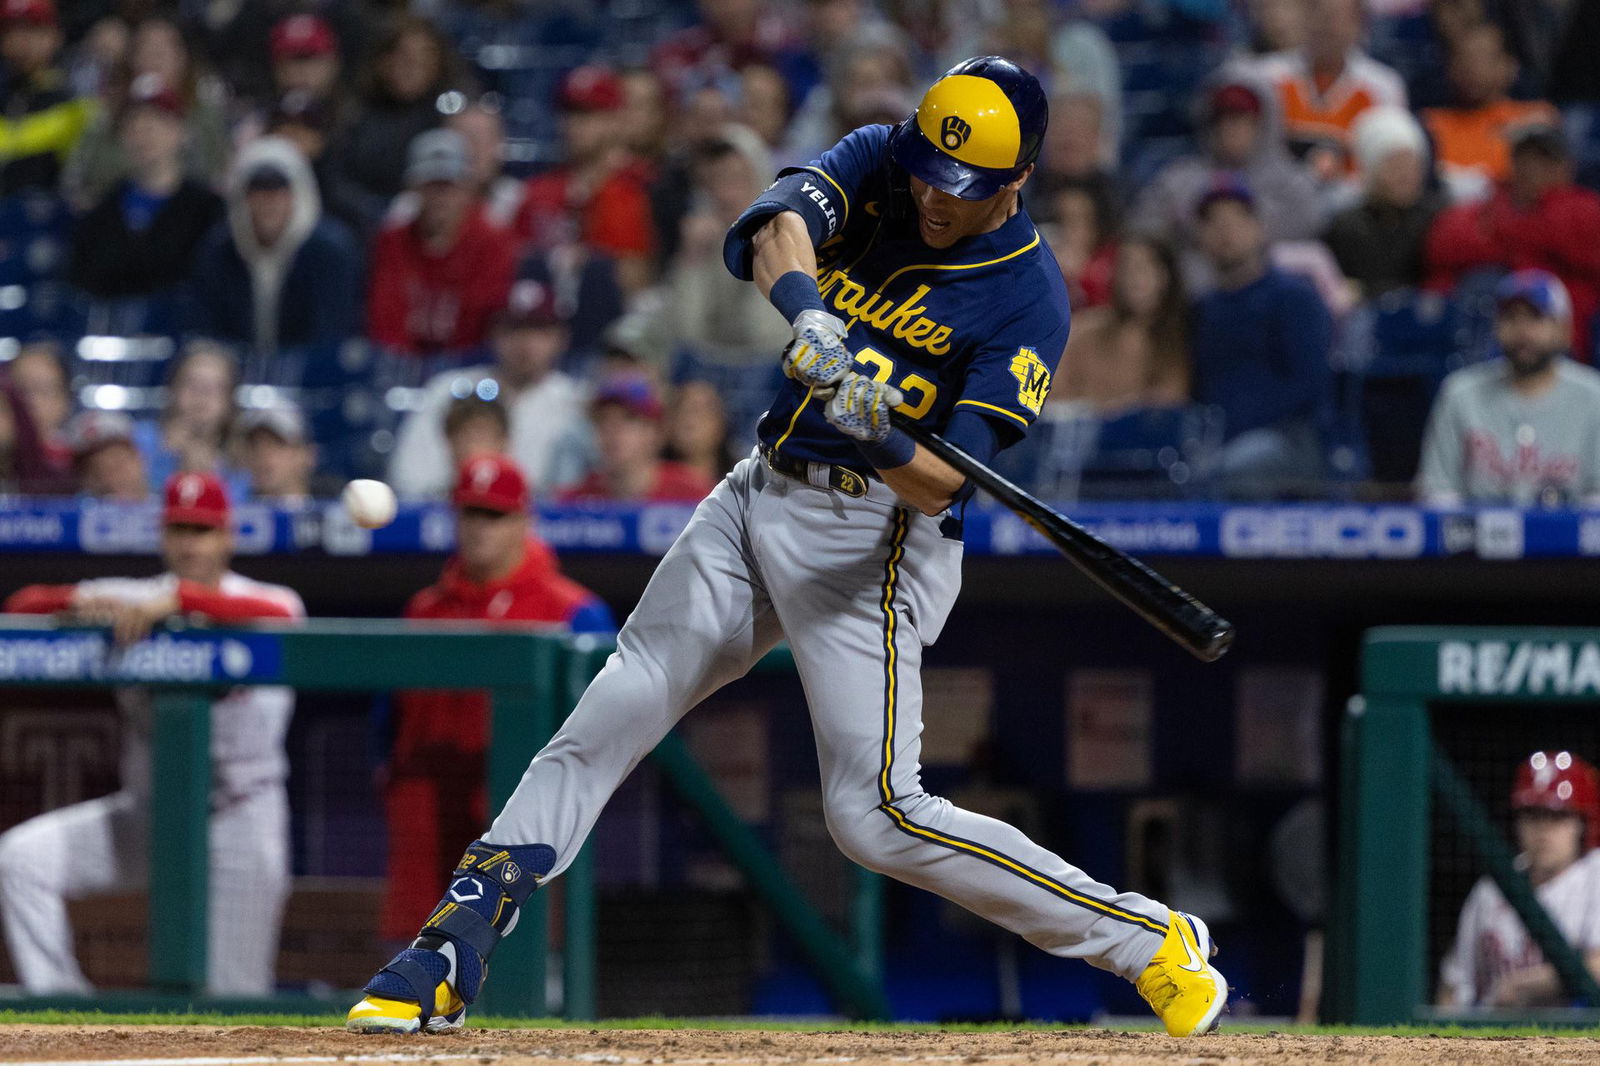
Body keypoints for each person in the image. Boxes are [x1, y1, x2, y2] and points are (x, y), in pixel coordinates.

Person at [347, 56, 1227, 1040]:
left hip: (877, 540)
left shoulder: (1027, 297)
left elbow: (947, 483)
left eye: (964, 187)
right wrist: (808, 312)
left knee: (874, 815)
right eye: (930, 174)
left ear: (1018, 182)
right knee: (619, 699)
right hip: (757, 488)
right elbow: (776, 229)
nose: (936, 198)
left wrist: (872, 420)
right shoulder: (886, 159)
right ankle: (455, 937)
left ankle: (1145, 939)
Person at [0, 472, 304, 995]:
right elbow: (21, 604)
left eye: (203, 530)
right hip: (152, 815)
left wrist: (183, 601)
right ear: (163, 536)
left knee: (237, 997)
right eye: (179, 529)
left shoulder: (268, 598)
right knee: (20, 862)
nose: (190, 542)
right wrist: (75, 606)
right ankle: (68, 1015)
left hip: (240, 819)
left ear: (228, 536)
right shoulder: (136, 598)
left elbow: (278, 615)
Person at [379, 453, 613, 942]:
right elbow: (386, 729)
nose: (480, 527)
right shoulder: (424, 610)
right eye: (471, 513)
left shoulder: (574, 611)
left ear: (524, 520)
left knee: (526, 981)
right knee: (410, 975)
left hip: (524, 827)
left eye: (495, 515)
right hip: (428, 826)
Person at [1189, 179, 1333, 494]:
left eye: (1236, 220)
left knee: (1231, 470)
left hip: (1291, 438)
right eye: (1213, 223)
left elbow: (1309, 383)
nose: (1225, 232)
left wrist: (1235, 428)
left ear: (1259, 228)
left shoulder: (1294, 296)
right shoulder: (1201, 308)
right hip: (1214, 442)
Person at [388, 280, 591, 498]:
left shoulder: (577, 402)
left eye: (538, 329)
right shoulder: (448, 390)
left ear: (560, 338)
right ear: (493, 334)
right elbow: (408, 481)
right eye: (513, 329)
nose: (525, 343)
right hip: (457, 512)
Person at [1416, 270, 1600, 507]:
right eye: (1511, 317)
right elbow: (1438, 493)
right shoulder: (1460, 393)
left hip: (1567, 542)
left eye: (1535, 317)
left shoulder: (1593, 396)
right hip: (1476, 541)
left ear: (1564, 330)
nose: (1522, 331)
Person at [1439, 751, 1600, 1009]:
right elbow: (1453, 984)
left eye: (1557, 817)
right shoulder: (1492, 888)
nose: (1544, 830)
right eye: (1533, 815)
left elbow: (1598, 966)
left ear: (1581, 823)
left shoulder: (1594, 875)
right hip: (1490, 1038)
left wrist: (1525, 986)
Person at [1425, 124, 1600, 359]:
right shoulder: (1492, 201)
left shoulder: (1583, 207)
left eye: (1544, 160)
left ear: (1565, 168)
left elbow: (1572, 242)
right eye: (1524, 159)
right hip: (1499, 316)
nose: (1532, 168)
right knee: (1481, 283)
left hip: (1567, 328)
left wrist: (1506, 231)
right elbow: (1445, 246)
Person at [1129, 75, 1322, 286]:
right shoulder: (1181, 178)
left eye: (1240, 119)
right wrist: (1194, 230)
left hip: (1268, 284)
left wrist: (1239, 233)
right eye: (1221, 119)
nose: (1229, 128)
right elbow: (1142, 228)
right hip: (1196, 287)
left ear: (1261, 125)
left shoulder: (1290, 180)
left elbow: (1310, 223)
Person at [189, 136, 363, 355]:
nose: (270, 200)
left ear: (299, 194)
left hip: (310, 379)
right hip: (235, 378)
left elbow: (330, 337)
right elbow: (206, 332)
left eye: (280, 188)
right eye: (258, 189)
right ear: (242, 197)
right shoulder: (218, 250)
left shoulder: (331, 252)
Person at [65, 74, 224, 302]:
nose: (143, 132)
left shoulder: (208, 211)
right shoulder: (100, 215)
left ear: (180, 132)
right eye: (133, 122)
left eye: (156, 121)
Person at [368, 129, 516, 357]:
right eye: (431, 185)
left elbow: (483, 323)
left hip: (467, 368)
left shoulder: (492, 242)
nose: (440, 197)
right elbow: (386, 319)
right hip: (401, 367)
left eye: (449, 186)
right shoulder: (393, 241)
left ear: (468, 188)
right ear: (413, 189)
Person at [512, 65, 656, 298]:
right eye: (570, 113)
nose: (575, 124)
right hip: (544, 319)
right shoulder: (537, 192)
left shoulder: (642, 186)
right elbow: (516, 267)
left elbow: (636, 282)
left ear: (615, 119)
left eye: (589, 113)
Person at [63, 14, 231, 208]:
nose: (155, 57)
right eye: (146, 49)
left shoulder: (206, 116)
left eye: (165, 49)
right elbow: (80, 179)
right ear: (131, 59)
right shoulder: (107, 116)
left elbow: (219, 173)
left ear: (183, 58)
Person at [1248, 0, 1406, 179]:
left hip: (1354, 195)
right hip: (1281, 195)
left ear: (1358, 23)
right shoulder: (1266, 77)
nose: (1326, 25)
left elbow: (1391, 157)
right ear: (1304, 18)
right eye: (1318, 13)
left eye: (1335, 17)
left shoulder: (1383, 86)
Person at [1323, 106, 1449, 299]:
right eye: (1394, 165)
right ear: (1370, 171)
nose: (1405, 175)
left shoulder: (1439, 218)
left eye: (1412, 164)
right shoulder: (1346, 228)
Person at [1422, 22, 1559, 196]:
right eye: (1462, 57)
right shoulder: (1429, 123)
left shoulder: (1535, 118)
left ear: (1510, 67)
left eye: (1482, 58)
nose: (1470, 68)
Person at [1057, 235, 1190, 412]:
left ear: (1166, 277)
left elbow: (1168, 404)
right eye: (1127, 266)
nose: (1134, 275)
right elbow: (1054, 390)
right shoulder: (1087, 329)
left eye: (1145, 266)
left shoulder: (1176, 343)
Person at [556, 377, 715, 505]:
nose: (613, 430)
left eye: (629, 419)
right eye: (603, 420)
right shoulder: (574, 501)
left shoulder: (694, 495)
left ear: (656, 432)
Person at [133, 341, 248, 499]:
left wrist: (209, 477)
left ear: (230, 401)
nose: (202, 394)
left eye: (215, 387)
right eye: (192, 383)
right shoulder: (137, 442)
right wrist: (166, 459)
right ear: (172, 389)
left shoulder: (244, 458)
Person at [0, 0, 91, 194]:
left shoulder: (73, 103)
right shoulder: (5, 95)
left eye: (31, 31)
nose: (19, 42)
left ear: (55, 37)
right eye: (10, 31)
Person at [238, 401, 329, 504]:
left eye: (276, 444)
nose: (263, 454)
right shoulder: (232, 514)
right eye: (254, 445)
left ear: (306, 454)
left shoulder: (337, 515)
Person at [63, 409, 148, 500]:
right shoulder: (70, 510)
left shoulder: (161, 504)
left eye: (119, 463)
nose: (115, 477)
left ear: (140, 458)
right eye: (98, 469)